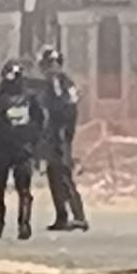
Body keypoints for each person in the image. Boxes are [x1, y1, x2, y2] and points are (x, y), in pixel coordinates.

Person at [0, 59, 45, 241]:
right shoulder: (4, 99)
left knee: (16, 189)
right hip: (12, 147)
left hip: (15, 148)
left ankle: (13, 225)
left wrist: (32, 141)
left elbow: (39, 121)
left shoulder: (24, 99)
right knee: (6, 189)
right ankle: (7, 225)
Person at [37, 46, 89, 232]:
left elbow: (60, 109)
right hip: (59, 135)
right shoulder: (65, 82)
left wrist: (58, 134)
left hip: (58, 136)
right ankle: (62, 216)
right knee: (54, 176)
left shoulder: (57, 81)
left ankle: (78, 216)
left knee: (63, 175)